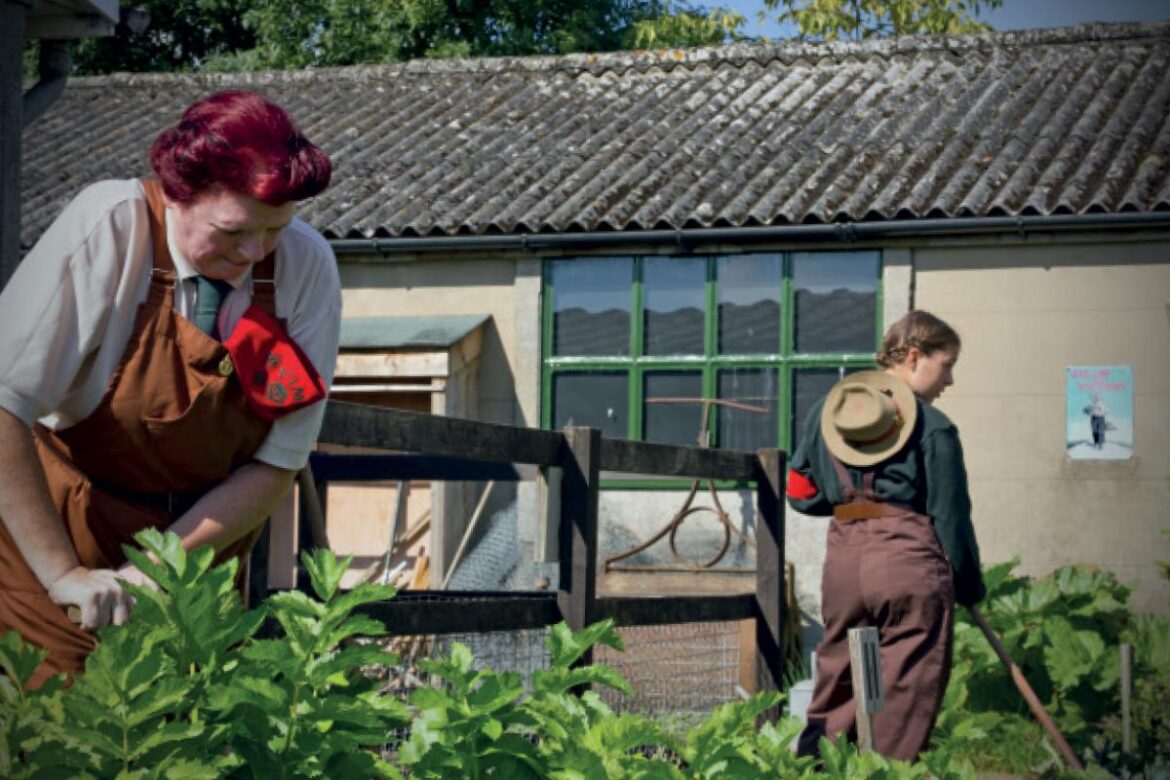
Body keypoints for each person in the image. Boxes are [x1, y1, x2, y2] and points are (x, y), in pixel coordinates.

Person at [0, 91, 341, 687]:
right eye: (232, 230)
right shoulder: (113, 226)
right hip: (61, 540)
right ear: (180, 192)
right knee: (55, 730)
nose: (254, 252)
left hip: (200, 554)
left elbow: (277, 462)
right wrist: (63, 576)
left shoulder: (306, 266)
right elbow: (4, 403)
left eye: (275, 229)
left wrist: (161, 570)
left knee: (188, 730)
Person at [786, 310, 985, 762]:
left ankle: (816, 771)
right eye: (946, 364)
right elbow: (951, 517)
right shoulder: (933, 426)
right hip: (906, 559)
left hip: (844, 560)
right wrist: (969, 585)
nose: (949, 379)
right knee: (904, 688)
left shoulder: (828, 412)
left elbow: (799, 491)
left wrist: (843, 496)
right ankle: (887, 773)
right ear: (914, 357)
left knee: (837, 677)